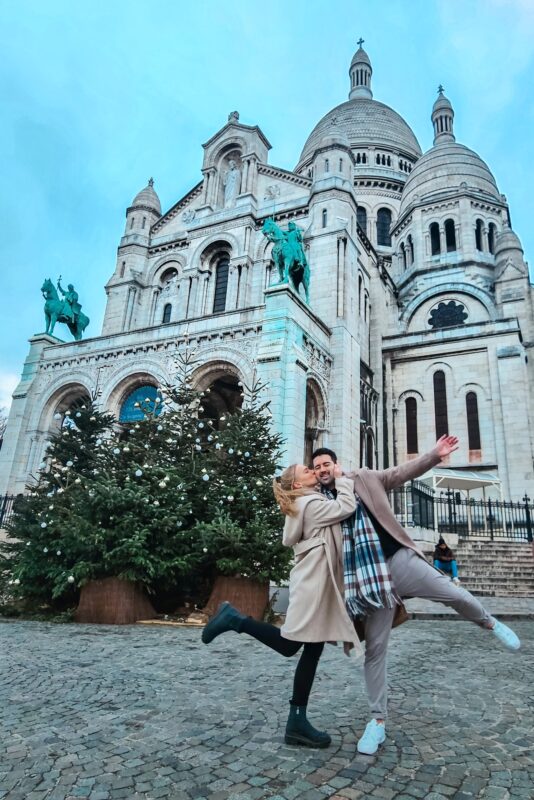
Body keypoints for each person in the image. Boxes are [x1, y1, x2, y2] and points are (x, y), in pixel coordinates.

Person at [312, 435, 521, 756]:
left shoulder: (365, 478)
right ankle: (377, 722)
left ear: (337, 465)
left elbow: (401, 473)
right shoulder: (321, 505)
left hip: (400, 560)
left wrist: (434, 455)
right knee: (376, 649)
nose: (323, 469)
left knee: (451, 593)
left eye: (327, 464)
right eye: (317, 467)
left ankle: (490, 623)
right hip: (369, 585)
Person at [201, 462, 362, 748]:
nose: (314, 471)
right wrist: (342, 481)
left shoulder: (307, 502)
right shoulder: (310, 504)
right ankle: (235, 620)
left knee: (313, 648)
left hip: (318, 581)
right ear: (298, 485)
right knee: (292, 645)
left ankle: (297, 722)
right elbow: (346, 507)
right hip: (314, 584)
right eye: (307, 471)